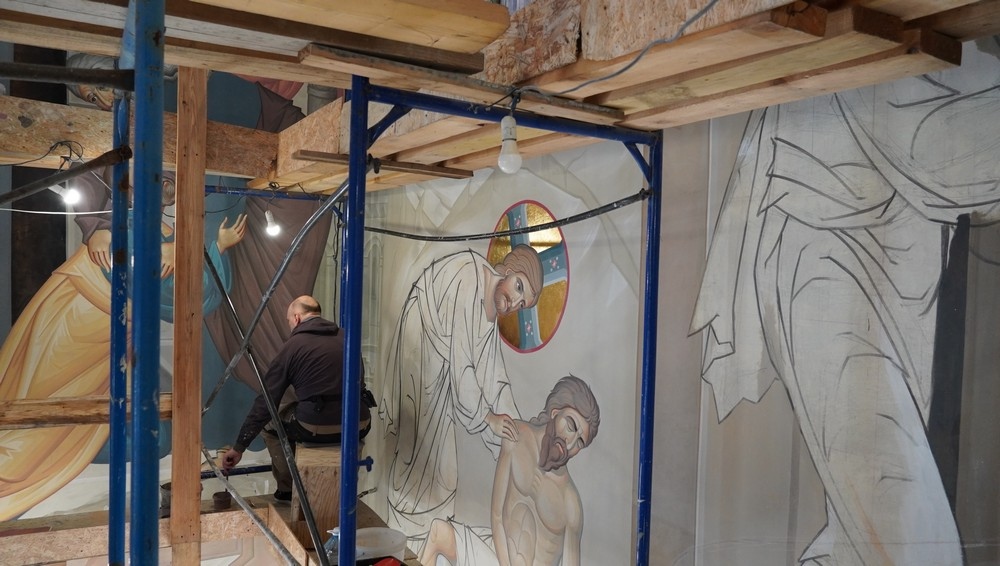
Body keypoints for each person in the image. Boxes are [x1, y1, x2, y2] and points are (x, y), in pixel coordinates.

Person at [690, 37, 1000, 565]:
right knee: (904, 514)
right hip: (822, 250)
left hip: (906, 274)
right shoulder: (878, 61)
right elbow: (934, 140)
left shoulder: (966, 60)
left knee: (867, 530)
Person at [0, 170, 246, 520]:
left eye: (169, 185)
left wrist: (209, 248)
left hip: (100, 331)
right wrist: (210, 249)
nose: (165, 192)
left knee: (80, 426)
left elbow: (188, 296)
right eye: (159, 183)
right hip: (77, 327)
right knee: (38, 426)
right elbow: (181, 297)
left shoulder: (161, 234)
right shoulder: (130, 232)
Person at [379, 244, 544, 536]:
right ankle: (405, 533)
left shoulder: (489, 311)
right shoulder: (470, 278)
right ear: (507, 270)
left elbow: (495, 380)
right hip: (420, 346)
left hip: (441, 361)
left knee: (443, 466)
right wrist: (488, 418)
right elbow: (463, 367)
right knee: (416, 450)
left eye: (522, 304)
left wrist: (517, 434)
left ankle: (428, 537)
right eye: (519, 287)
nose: (515, 302)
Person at [419, 375, 600, 566]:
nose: (570, 443)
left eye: (580, 442)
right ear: (555, 413)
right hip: (498, 556)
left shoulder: (571, 503)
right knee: (438, 533)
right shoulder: (517, 437)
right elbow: (497, 515)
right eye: (571, 425)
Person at [221, 295, 370, 500]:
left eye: (289, 321)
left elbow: (267, 402)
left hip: (316, 426)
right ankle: (338, 491)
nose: (290, 326)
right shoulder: (347, 338)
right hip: (359, 423)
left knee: (271, 424)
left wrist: (239, 448)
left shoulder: (292, 346)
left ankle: (288, 490)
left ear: (297, 318)